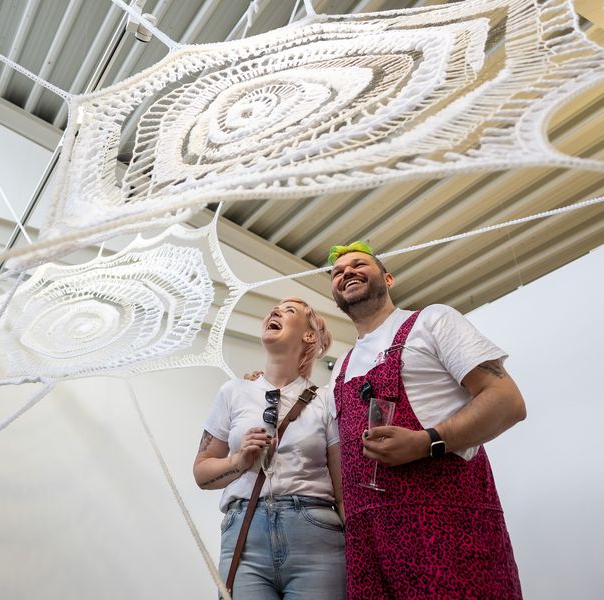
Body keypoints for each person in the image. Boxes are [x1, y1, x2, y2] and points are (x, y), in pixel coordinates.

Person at [327, 241, 526, 600]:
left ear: (387, 278)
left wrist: (426, 441)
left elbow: (506, 401)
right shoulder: (338, 369)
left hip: (447, 530)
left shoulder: (432, 320)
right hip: (368, 546)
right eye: (337, 272)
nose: (347, 273)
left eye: (359, 264)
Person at [193, 297, 345, 599]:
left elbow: (343, 490)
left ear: (309, 336)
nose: (275, 311)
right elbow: (201, 472)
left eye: (289, 311)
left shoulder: (327, 399)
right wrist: (238, 461)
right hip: (245, 539)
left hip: (315, 539)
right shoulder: (233, 392)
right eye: (274, 309)